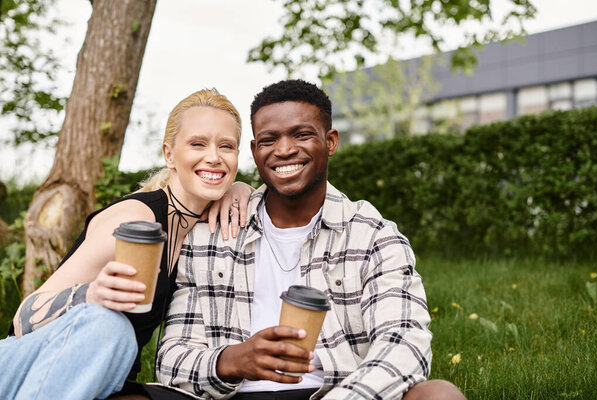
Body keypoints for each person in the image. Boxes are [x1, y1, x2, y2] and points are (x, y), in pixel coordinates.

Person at [156, 80, 466, 399]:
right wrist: (233, 360)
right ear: (254, 151)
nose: (285, 149)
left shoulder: (373, 236)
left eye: (301, 134)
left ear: (330, 141)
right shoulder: (211, 234)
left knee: (439, 394)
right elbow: (170, 362)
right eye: (269, 139)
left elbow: (404, 347)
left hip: (338, 392)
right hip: (232, 394)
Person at [0, 88, 254, 400]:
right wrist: (88, 294)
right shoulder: (135, 219)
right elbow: (22, 318)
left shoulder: (204, 228)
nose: (214, 156)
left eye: (226, 146)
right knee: (109, 326)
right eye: (197, 144)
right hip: (26, 367)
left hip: (100, 378)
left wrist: (243, 188)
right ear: (169, 154)